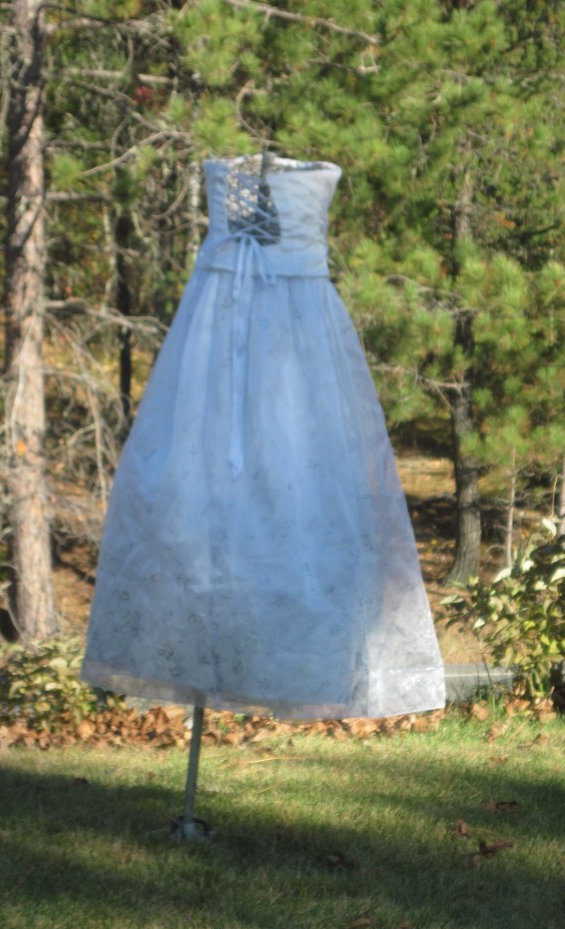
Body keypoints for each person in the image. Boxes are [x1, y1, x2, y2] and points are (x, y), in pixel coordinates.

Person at [82, 154, 445, 721]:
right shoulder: (223, 184)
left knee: (300, 492)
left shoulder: (313, 181)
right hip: (213, 321)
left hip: (301, 324)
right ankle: (194, 648)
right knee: (188, 492)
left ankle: (292, 663)